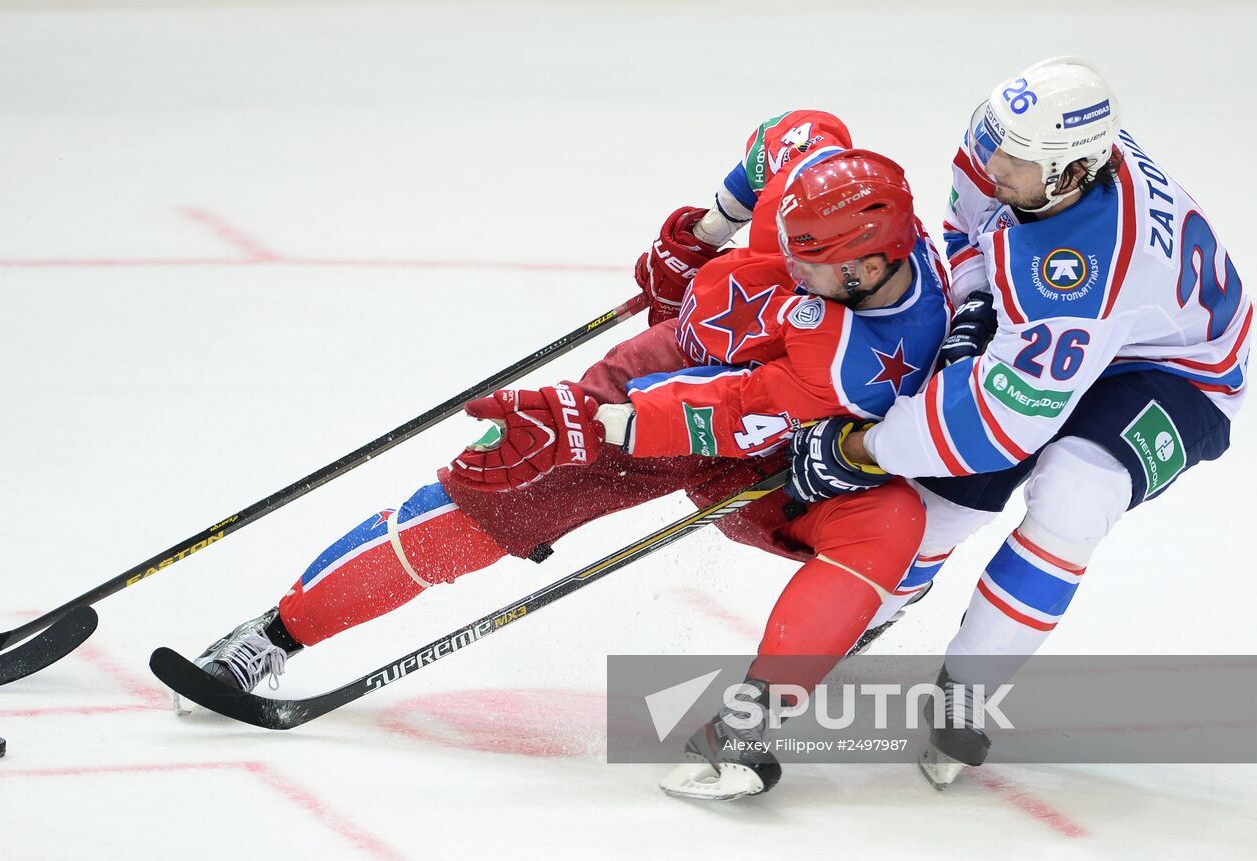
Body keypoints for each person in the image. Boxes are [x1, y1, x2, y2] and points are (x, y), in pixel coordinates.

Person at [172, 130, 949, 801]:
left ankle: (744, 727)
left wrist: (599, 422)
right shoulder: (816, 173)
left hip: (746, 431)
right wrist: (704, 233)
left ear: (866, 267)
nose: (787, 263)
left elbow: (738, 402)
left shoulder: (850, 358)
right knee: (480, 510)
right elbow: (782, 135)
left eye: (806, 261)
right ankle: (273, 636)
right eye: (782, 239)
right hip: (667, 368)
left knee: (891, 521)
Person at [778, 57, 1248, 788]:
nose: (992, 159)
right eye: (995, 139)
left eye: (1016, 160)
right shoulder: (1020, 145)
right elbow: (968, 222)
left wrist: (861, 447)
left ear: (1069, 175)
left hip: (1179, 371)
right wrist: (971, 302)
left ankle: (969, 688)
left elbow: (1000, 429)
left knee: (1073, 493)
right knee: (933, 513)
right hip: (1080, 328)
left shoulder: (1083, 264)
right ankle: (840, 625)